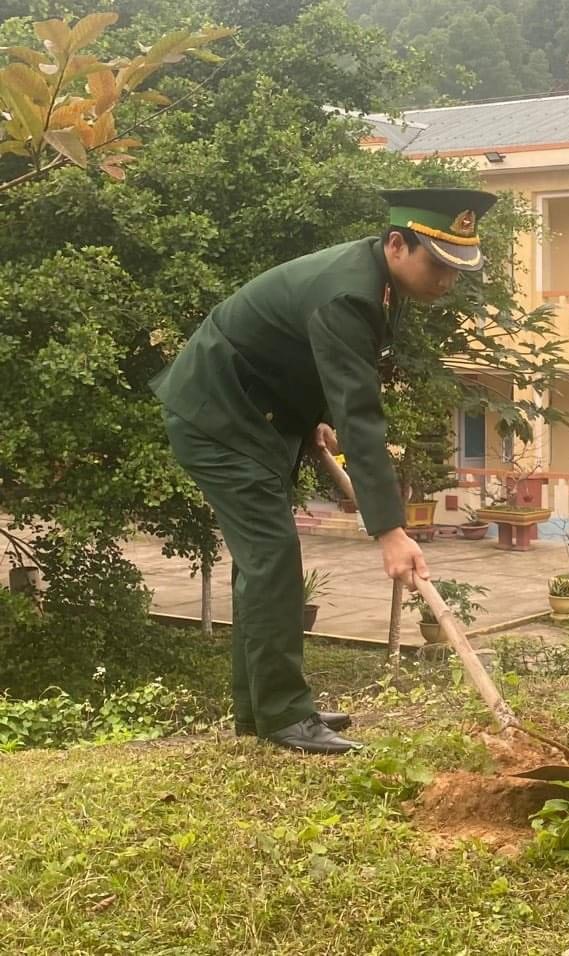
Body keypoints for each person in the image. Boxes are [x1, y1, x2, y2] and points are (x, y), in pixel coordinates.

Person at [152, 188, 497, 753]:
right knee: (271, 559)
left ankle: (264, 710)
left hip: (256, 415)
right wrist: (390, 531)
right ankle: (285, 716)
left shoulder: (379, 282)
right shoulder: (348, 292)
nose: (446, 281)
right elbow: (361, 417)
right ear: (396, 244)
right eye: (437, 264)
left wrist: (310, 416)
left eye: (457, 270)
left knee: (261, 564)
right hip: (219, 420)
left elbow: (306, 355)